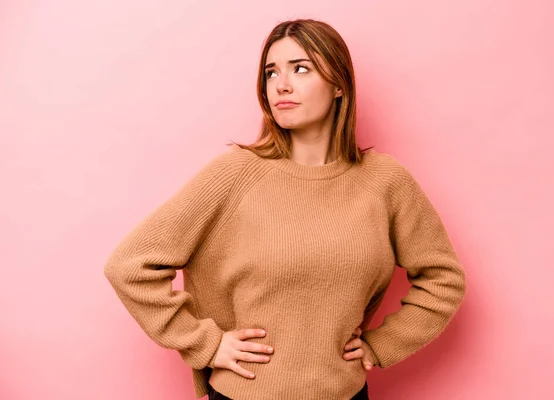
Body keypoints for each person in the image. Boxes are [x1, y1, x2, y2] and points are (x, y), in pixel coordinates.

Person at [104, 18, 467, 400]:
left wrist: (383, 345)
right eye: (270, 72)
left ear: (339, 84)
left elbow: (443, 279)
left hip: (345, 394)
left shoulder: (385, 182)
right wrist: (205, 344)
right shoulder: (236, 173)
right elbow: (130, 265)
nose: (282, 85)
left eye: (300, 68)